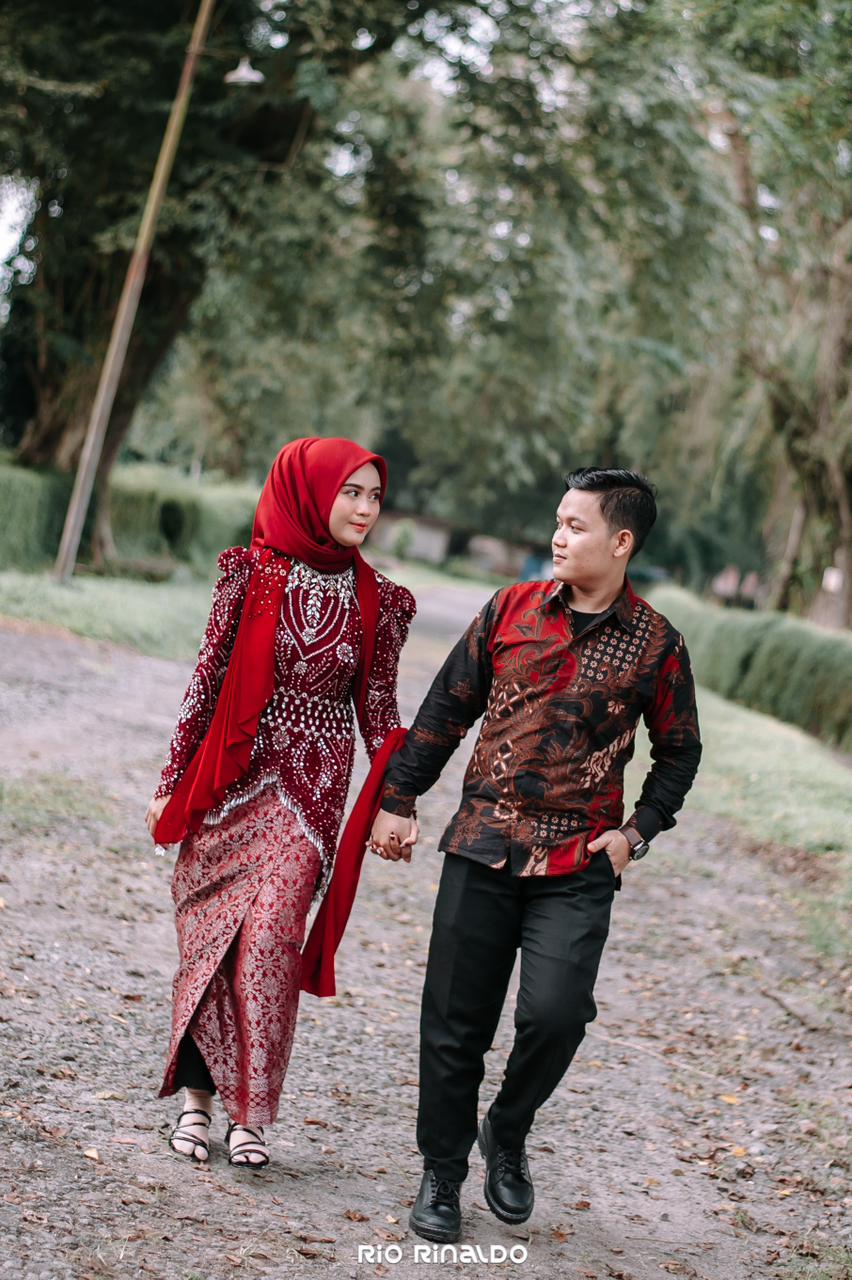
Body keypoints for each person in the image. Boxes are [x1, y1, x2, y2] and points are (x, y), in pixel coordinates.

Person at [370, 467, 702, 1242]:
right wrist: (399, 799)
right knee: (454, 1022)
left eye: (576, 526)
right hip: (482, 846)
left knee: (557, 1015)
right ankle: (442, 1173)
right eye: (558, 521)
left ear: (621, 542)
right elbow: (445, 710)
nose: (558, 537)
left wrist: (637, 833)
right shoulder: (510, 609)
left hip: (578, 864)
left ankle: (508, 1130)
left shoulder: (657, 644)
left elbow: (680, 751)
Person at [146, 437, 416, 1169]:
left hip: (310, 797)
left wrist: (398, 799)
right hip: (228, 787)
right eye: (351, 492)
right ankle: (197, 1105)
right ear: (310, 492)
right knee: (212, 945)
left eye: (374, 496)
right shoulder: (250, 575)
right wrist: (172, 781)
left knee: (268, 940)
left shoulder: (381, 602)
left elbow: (379, 712)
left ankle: (251, 1116)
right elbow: (207, 679)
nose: (365, 508)